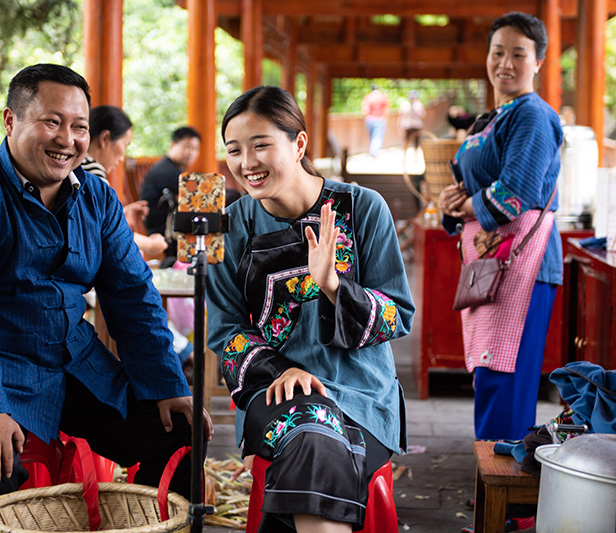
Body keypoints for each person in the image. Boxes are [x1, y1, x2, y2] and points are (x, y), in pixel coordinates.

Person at [0, 64, 213, 533]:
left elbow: (132, 295)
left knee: (181, 434)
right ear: (11, 121)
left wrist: (168, 385)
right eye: (51, 121)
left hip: (73, 363)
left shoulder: (97, 200)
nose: (67, 139)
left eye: (79, 127)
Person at [206, 85, 414, 532]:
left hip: (361, 397)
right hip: (274, 391)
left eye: (261, 145)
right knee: (311, 434)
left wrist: (335, 287)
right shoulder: (233, 226)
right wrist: (279, 370)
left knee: (319, 439)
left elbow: (398, 313)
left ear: (298, 143)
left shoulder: (361, 209)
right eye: (234, 150)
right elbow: (225, 331)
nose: (247, 163)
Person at [437, 12, 563, 443]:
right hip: (494, 259)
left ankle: (510, 506)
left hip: (523, 263)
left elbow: (514, 195)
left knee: (505, 377)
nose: (505, 63)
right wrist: (451, 203)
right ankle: (494, 493)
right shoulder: (491, 117)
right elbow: (469, 186)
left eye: (518, 54)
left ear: (538, 62)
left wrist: (468, 203)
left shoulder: (532, 116)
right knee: (490, 372)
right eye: (497, 52)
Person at [82, 104, 168, 257]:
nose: (122, 158)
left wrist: (121, 213)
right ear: (105, 138)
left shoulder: (78, 166)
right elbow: (107, 234)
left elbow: (91, 219)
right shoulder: (92, 172)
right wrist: (151, 244)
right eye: (124, 146)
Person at [139, 126, 201, 267]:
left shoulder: (168, 168)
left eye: (195, 149)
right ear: (172, 145)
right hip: (161, 236)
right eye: (187, 147)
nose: (191, 152)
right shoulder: (169, 173)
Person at [361, 84, 390, 158]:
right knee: (377, 136)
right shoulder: (382, 97)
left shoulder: (368, 97)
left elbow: (365, 109)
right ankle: (374, 152)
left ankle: (372, 151)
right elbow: (387, 108)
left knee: (371, 136)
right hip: (379, 119)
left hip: (370, 119)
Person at [399, 90, 426, 158]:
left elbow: (400, 117)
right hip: (416, 126)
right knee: (415, 142)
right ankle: (414, 157)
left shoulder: (405, 104)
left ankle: (405, 157)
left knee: (406, 142)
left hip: (407, 126)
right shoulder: (419, 105)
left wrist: (400, 127)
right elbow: (423, 115)